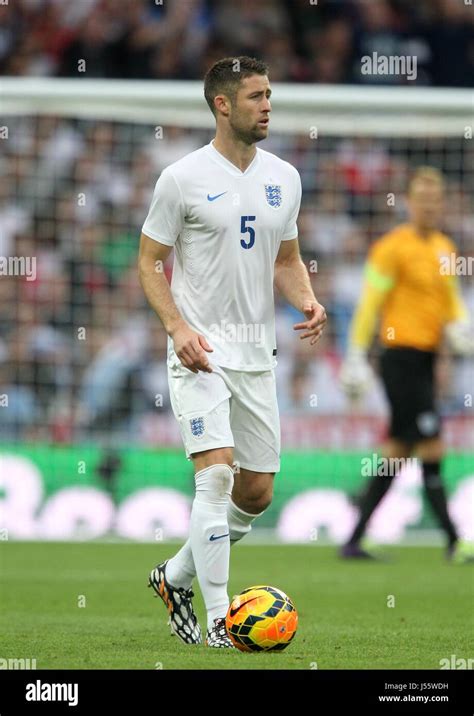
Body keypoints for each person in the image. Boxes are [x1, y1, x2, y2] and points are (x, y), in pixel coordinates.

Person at [138, 56, 326, 647]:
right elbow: (148, 261)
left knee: (256, 492)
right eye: (256, 96)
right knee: (215, 478)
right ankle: (220, 620)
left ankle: (174, 576)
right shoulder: (182, 178)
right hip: (200, 352)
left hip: (256, 354)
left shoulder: (285, 177)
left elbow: (287, 259)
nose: (268, 105)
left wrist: (308, 300)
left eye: (269, 94)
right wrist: (177, 328)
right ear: (222, 105)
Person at [340, 167, 473, 563]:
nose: (430, 207)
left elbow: (451, 305)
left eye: (437, 201)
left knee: (399, 448)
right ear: (410, 203)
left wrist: (459, 329)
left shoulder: (446, 249)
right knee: (430, 442)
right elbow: (369, 305)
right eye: (423, 200)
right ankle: (453, 541)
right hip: (398, 358)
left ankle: (355, 535)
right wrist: (355, 354)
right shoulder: (391, 248)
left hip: (428, 358)